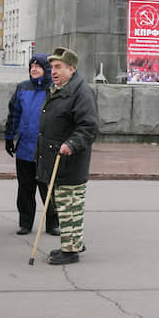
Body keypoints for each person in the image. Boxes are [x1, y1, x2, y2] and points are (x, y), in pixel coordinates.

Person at [35, 47, 99, 265]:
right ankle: (72, 242)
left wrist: (71, 144)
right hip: (54, 159)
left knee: (70, 207)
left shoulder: (81, 92)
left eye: (58, 67)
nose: (53, 71)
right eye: (52, 67)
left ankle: (71, 251)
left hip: (69, 161)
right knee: (62, 206)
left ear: (71, 69)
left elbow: (88, 127)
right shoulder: (58, 89)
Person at [5, 54, 59, 236]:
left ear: (47, 70)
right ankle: (25, 222)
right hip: (25, 147)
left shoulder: (54, 89)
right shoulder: (23, 88)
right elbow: (14, 114)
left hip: (46, 149)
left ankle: (52, 223)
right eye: (31, 66)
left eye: (38, 66)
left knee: (48, 188)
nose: (34, 69)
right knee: (25, 188)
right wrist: (9, 137)